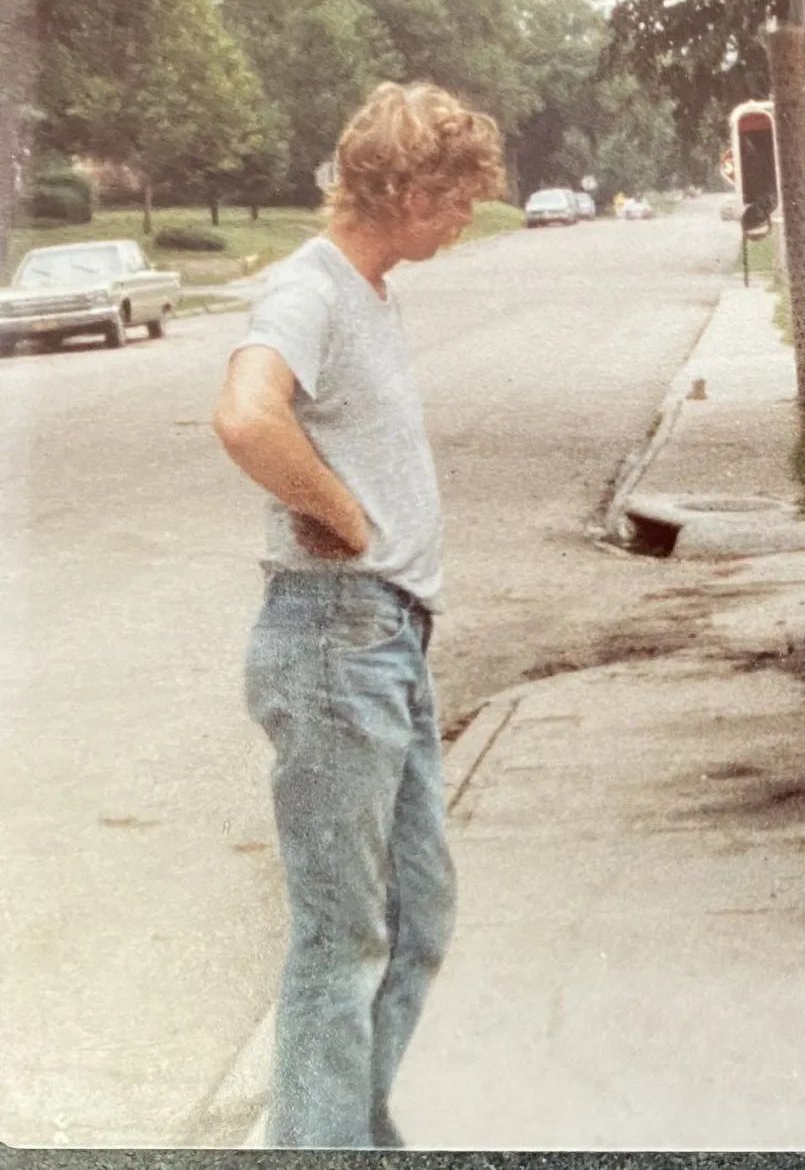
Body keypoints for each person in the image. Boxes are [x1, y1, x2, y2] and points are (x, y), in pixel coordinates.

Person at [213, 81, 503, 1147]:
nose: (470, 211)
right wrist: (338, 509)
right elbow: (246, 415)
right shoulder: (312, 290)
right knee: (343, 937)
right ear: (411, 187)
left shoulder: (371, 291)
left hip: (386, 639)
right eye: (461, 193)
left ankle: (342, 1130)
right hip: (336, 636)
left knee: (417, 917)